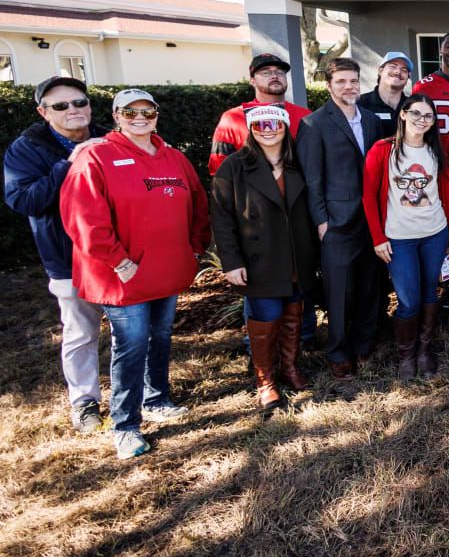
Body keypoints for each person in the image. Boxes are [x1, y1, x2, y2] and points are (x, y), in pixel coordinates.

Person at [61, 88, 210, 459]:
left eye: (147, 111)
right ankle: (126, 425)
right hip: (122, 276)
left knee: (159, 337)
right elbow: (83, 218)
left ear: (157, 114)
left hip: (167, 269)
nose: (139, 117)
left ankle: (157, 398)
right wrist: (120, 262)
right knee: (131, 346)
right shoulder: (96, 156)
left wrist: (194, 249)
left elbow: (198, 204)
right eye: (129, 112)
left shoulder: (174, 157)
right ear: (115, 116)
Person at [4, 76, 109, 433]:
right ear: (43, 112)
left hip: (117, 255)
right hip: (68, 259)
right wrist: (70, 161)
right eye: (61, 106)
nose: (73, 110)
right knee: (80, 333)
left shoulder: (110, 137)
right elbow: (25, 200)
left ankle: (140, 393)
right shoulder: (27, 148)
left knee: (133, 332)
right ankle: (84, 402)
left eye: (79, 102)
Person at [209, 105, 318, 408]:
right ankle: (265, 380)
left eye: (274, 123)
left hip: (297, 255)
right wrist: (231, 262)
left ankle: (290, 368)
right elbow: (221, 218)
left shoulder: (298, 163)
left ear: (285, 126)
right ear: (251, 130)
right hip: (259, 258)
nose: (267, 129)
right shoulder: (234, 166)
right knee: (265, 319)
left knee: (293, 317)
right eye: (259, 124)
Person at [363, 94, 449, 381]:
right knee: (408, 299)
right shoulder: (383, 150)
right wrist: (378, 238)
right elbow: (368, 196)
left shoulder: (436, 153)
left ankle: (424, 350)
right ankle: (406, 354)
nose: (422, 120)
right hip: (398, 238)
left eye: (428, 116)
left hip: (434, 233)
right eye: (416, 113)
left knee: (431, 292)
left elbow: (448, 197)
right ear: (403, 115)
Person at [296, 57, 382, 380]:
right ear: (329, 85)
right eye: (342, 81)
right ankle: (338, 353)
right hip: (336, 223)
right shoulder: (314, 124)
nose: (349, 86)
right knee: (339, 293)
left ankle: (362, 346)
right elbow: (311, 178)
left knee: (369, 287)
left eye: (354, 80)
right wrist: (322, 222)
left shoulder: (372, 120)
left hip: (371, 221)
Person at [208, 53, 311, 175]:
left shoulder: (305, 116)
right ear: (252, 81)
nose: (274, 76)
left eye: (280, 72)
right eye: (266, 72)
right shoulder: (232, 118)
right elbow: (219, 169)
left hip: (300, 191)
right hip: (250, 192)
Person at [358, 51, 413, 139]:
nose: (398, 72)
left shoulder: (412, 106)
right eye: (393, 66)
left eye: (404, 70)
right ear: (380, 70)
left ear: (407, 78)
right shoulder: (360, 104)